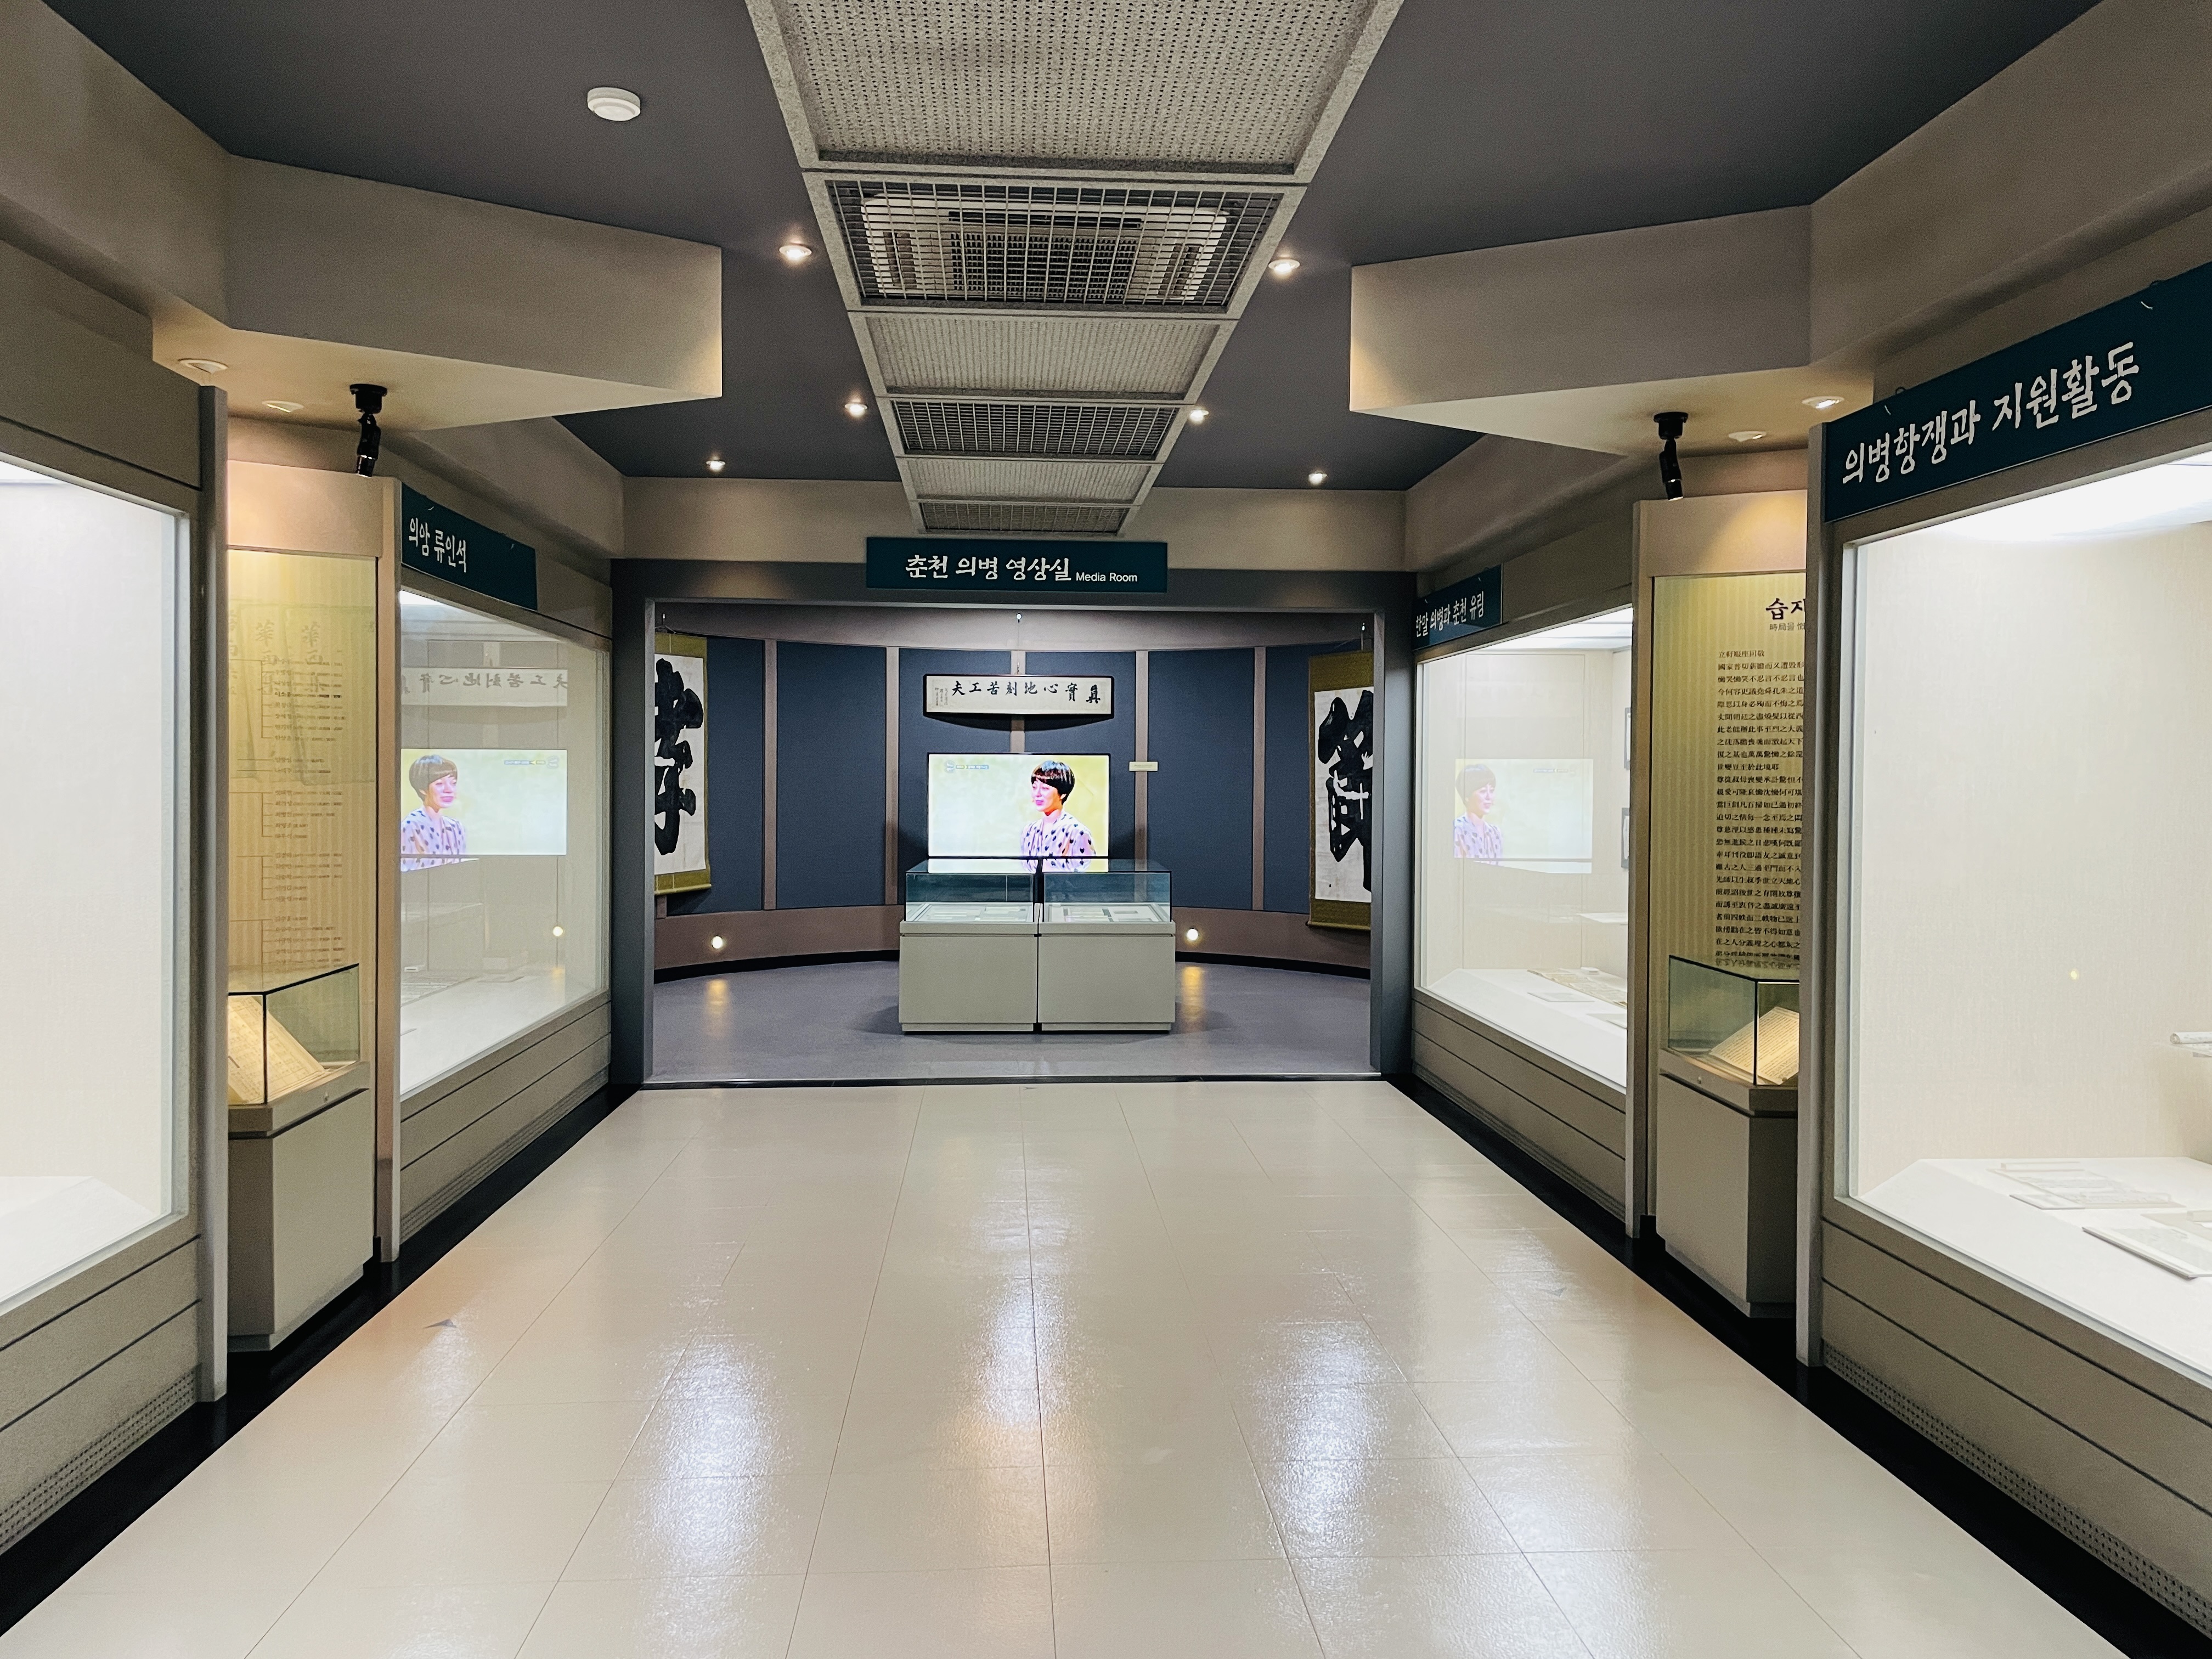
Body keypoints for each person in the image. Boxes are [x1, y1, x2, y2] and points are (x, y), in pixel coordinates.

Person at [1019, 758, 1096, 871]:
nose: (1037, 794)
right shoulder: (1029, 831)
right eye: (1035, 788)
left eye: (1045, 788)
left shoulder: (1076, 831)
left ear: (1063, 794)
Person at [400, 754, 469, 870]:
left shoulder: (456, 827)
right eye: (440, 784)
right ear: (422, 789)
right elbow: (406, 871)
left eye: (453, 783)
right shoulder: (411, 826)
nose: (449, 790)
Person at [1453, 763, 1503, 862]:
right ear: (1467, 796)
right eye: (1483, 791)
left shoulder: (1495, 832)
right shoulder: (1457, 829)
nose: (1489, 797)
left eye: (1492, 791)